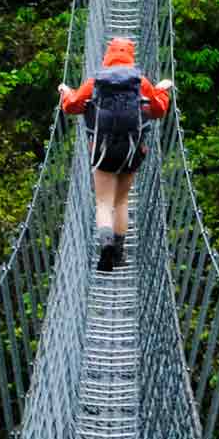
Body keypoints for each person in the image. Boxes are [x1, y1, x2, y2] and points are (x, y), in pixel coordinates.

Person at [58, 37, 175, 272]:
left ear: (107, 55)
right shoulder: (139, 82)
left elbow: (72, 106)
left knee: (103, 202)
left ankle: (106, 244)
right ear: (131, 56)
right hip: (132, 150)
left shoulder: (96, 82)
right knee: (121, 201)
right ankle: (119, 255)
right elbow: (158, 110)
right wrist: (162, 91)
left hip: (103, 151)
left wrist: (66, 92)